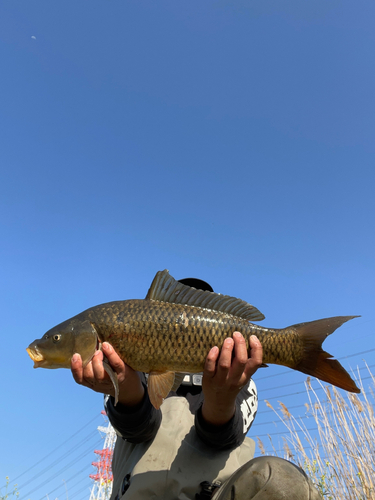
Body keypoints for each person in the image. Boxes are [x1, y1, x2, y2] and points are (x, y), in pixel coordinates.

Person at [71, 278, 322, 500]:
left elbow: (220, 439)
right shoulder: (124, 368)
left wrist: (220, 400)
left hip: (215, 493)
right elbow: (137, 430)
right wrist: (126, 392)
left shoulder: (240, 379)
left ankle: (300, 349)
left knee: (281, 480)